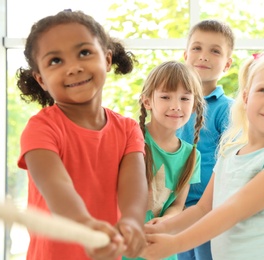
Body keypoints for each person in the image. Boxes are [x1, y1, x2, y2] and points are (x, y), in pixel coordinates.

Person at [141, 50, 264, 259]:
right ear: (246, 97)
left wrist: (175, 243)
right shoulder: (229, 152)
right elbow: (202, 209)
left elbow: (232, 211)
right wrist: (159, 229)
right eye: (263, 90)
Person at [16, 10, 148, 260]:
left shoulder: (129, 129)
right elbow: (56, 185)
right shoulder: (41, 129)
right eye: (55, 60)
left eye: (84, 53)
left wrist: (131, 222)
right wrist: (83, 224)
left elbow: (134, 186)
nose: (74, 68)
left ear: (107, 59)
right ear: (41, 79)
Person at [123, 61, 205, 260]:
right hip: (122, 246)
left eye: (185, 98)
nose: (176, 106)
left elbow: (177, 205)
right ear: (147, 101)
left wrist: (164, 222)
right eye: (165, 97)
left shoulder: (192, 155)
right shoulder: (128, 138)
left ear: (194, 105)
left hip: (160, 250)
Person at [176, 19, 235, 260]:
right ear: (185, 55)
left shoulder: (227, 109)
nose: (204, 56)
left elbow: (232, 160)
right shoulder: (173, 107)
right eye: (197, 48)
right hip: (175, 209)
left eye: (215, 51)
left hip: (209, 210)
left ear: (227, 64)